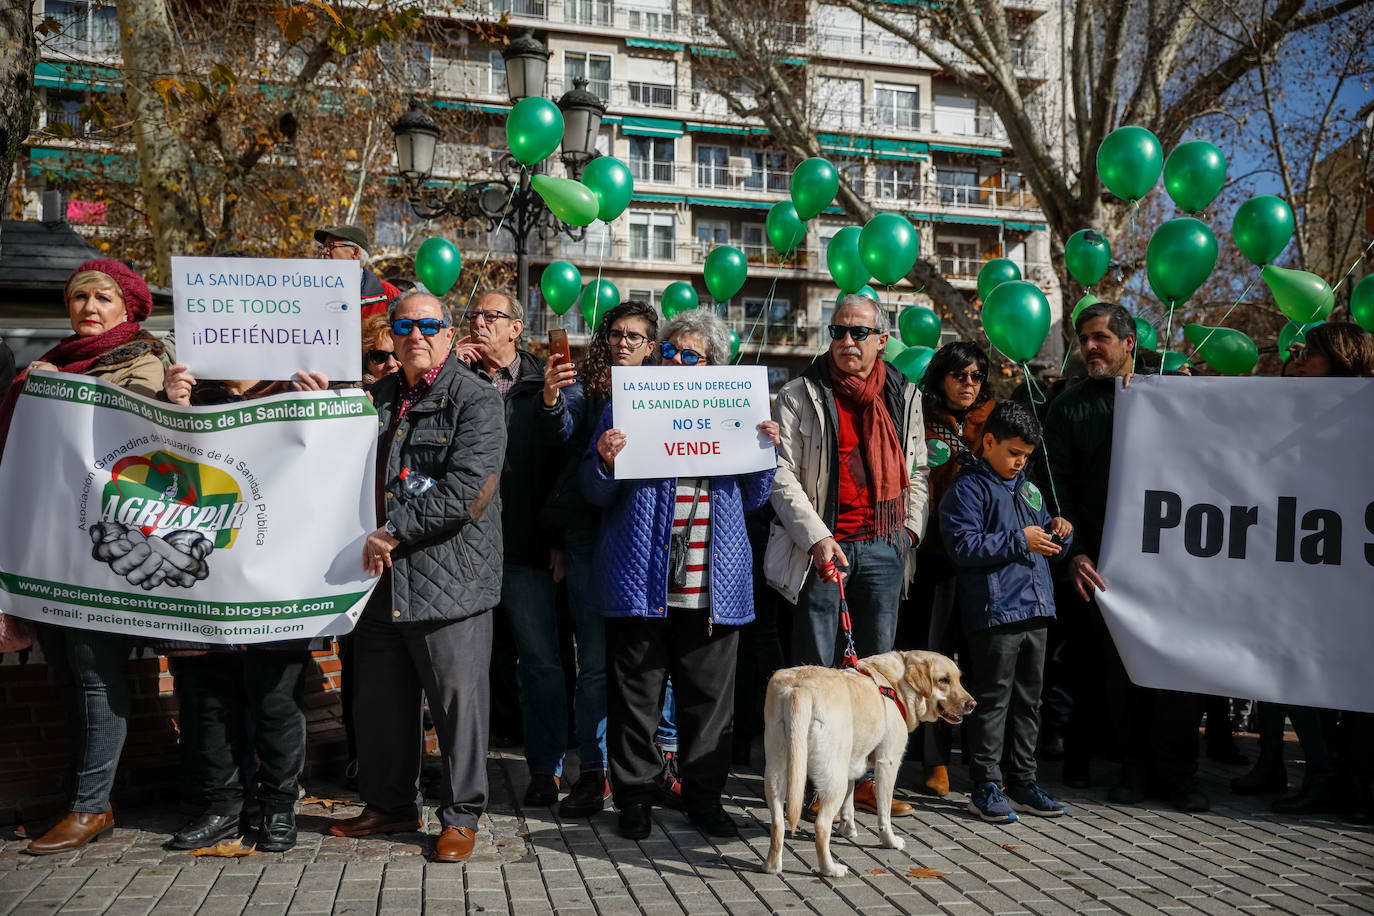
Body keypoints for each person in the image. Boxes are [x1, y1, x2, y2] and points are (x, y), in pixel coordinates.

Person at [581, 309, 778, 840]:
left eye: (690, 355)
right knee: (635, 700)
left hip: (712, 586)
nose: (675, 360)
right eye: (669, 351)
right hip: (639, 582)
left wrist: (765, 450)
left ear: (713, 366)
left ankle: (704, 800)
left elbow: (755, 499)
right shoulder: (626, 406)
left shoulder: (737, 412)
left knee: (708, 704)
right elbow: (593, 492)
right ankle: (634, 799)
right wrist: (604, 460)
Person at [328, 290, 506, 863]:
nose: (416, 336)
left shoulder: (475, 398)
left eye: (429, 325)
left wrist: (393, 530)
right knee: (379, 704)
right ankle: (390, 806)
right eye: (404, 326)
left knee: (457, 707)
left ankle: (461, 817)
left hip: (449, 579)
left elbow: (468, 490)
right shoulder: (375, 397)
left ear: (449, 334)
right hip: (379, 581)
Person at [0, 260, 167, 854]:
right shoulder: (53, 362)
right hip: (51, 540)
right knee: (67, 673)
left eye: (103, 297)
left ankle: (91, 807)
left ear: (129, 307)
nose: (89, 308)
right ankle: (85, 796)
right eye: (79, 298)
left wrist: (57, 394)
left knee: (96, 672)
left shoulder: (145, 359)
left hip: (107, 544)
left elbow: (135, 436)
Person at [764, 292, 928, 817]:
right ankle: (818, 787)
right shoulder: (799, 393)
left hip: (884, 547)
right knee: (816, 674)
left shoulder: (905, 394)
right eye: (838, 331)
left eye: (859, 332)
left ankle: (864, 785)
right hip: (821, 550)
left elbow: (918, 470)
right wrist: (815, 538)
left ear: (882, 340)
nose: (847, 341)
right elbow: (780, 473)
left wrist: (909, 532)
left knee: (877, 679)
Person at [158, 365, 330, 853]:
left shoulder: (294, 389)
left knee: (277, 701)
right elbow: (160, 463)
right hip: (207, 577)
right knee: (209, 700)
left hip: (276, 575)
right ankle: (222, 809)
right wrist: (171, 407)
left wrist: (318, 411)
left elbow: (328, 470)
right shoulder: (189, 394)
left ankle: (278, 809)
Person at [1044, 300, 1207, 813]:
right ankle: (1132, 770)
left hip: (1176, 562)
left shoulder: (1172, 394)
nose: (1090, 347)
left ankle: (1179, 776)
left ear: (1129, 343)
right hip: (1107, 566)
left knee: (1180, 669)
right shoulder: (1068, 409)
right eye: (1084, 339)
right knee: (1122, 673)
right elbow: (1056, 487)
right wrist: (1075, 553)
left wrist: (1165, 383)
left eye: (1101, 338)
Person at [452, 289, 584, 810]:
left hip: (527, 546)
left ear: (515, 327)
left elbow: (565, 461)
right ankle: (459, 773)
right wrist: (447, 372)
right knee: (464, 665)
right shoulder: (455, 377)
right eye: (474, 315)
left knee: (540, 663)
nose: (479, 323)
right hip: (464, 547)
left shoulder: (543, 380)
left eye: (492, 316)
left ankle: (546, 768)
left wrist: (557, 538)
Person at [1249, 321, 1374, 822]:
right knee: (1297, 673)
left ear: (1339, 359)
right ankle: (1323, 775)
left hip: (1354, 571)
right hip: (1305, 567)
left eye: (1310, 355)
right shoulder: (1293, 408)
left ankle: (1356, 784)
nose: (1299, 362)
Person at [543, 301, 658, 817]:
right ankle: (593, 773)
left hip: (645, 537)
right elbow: (562, 440)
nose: (623, 343)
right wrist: (552, 398)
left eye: (634, 336)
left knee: (650, 662)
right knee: (592, 661)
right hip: (590, 535)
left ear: (651, 346)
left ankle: (655, 767)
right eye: (615, 334)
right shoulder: (585, 388)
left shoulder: (671, 390)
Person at [941, 400, 1072, 823]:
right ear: (989, 442)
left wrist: (1060, 534)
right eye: (1014, 453)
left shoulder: (1029, 489)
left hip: (1037, 608)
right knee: (992, 700)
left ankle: (1023, 782)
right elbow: (962, 546)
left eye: (1026, 456)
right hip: (995, 611)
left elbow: (1044, 540)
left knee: (1029, 702)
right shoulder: (968, 488)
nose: (1020, 463)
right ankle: (985, 784)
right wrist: (1020, 540)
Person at [900, 341, 995, 799]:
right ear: (941, 377)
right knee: (933, 659)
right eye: (960, 375)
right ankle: (933, 759)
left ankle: (982, 761)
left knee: (980, 659)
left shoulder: (993, 421)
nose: (969, 384)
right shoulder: (918, 417)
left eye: (976, 376)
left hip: (984, 557)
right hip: (934, 556)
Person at [313, 225, 400, 319]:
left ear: (355, 252)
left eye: (331, 246)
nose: (324, 252)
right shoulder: (310, 288)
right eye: (323, 247)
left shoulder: (390, 295)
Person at [361, 313, 399, 390]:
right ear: (365, 360)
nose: (391, 364)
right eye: (380, 356)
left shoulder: (421, 389)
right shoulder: (353, 394)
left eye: (398, 355)